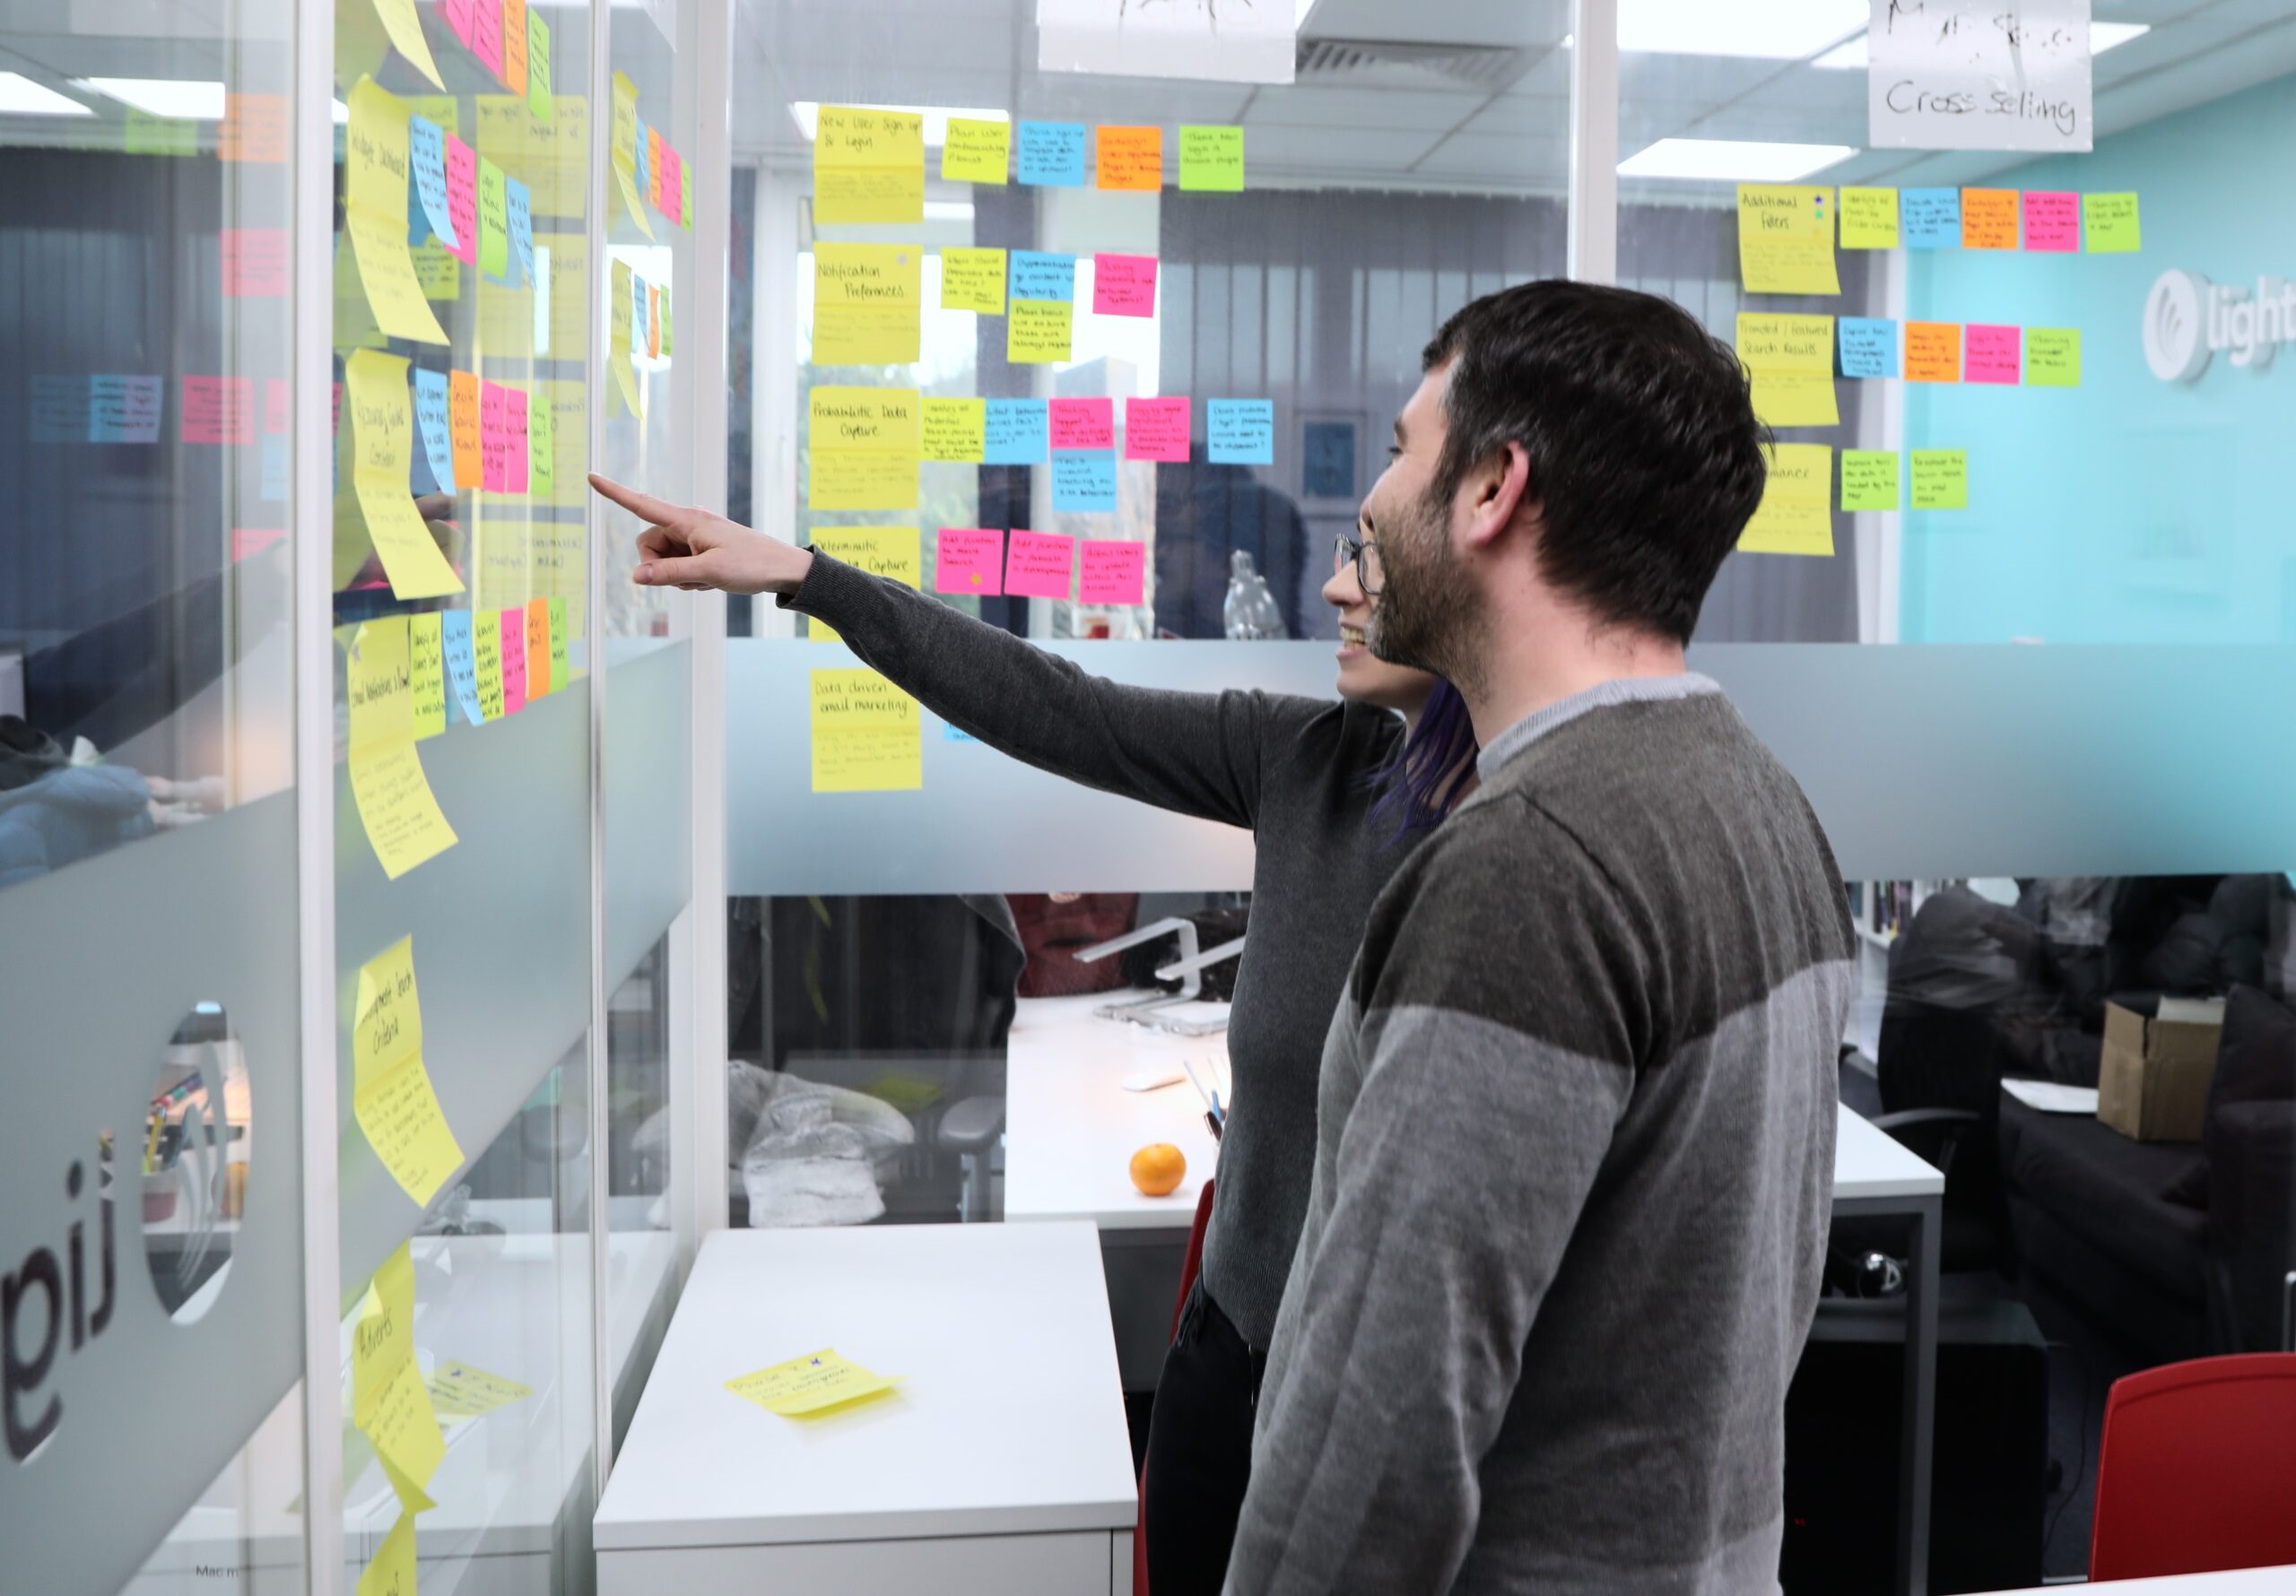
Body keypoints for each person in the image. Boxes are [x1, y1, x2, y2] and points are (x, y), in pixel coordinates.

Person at [586, 470, 1480, 1594]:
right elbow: (1052, 704)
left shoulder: (1526, 841)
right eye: (1347, 555)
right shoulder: (1310, 760)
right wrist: (809, 580)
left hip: (1379, 1413)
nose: (1339, 589)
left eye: (1372, 565)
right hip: (1229, 1364)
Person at [1220, 281, 1856, 1595]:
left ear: (1493, 488)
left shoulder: (1526, 870)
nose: (1380, 503)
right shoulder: (1768, 805)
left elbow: (1373, 1446)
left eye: (1403, 450)